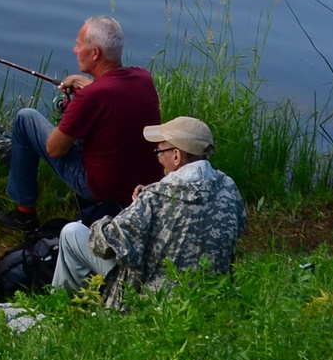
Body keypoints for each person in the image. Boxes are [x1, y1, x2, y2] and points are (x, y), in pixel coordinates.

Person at [0, 16, 163, 234]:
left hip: (99, 188)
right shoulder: (143, 78)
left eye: (79, 45)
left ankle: (24, 215)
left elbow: (54, 149)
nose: (75, 50)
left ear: (95, 53)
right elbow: (111, 93)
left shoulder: (91, 97)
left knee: (26, 119)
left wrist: (75, 110)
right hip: (140, 186)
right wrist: (91, 87)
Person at [52, 116, 244, 299]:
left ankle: (60, 308)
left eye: (159, 152)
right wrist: (146, 203)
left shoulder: (155, 198)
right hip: (211, 294)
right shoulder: (228, 188)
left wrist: (116, 216)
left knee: (71, 233)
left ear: (176, 156)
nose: (158, 159)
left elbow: (103, 245)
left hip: (154, 299)